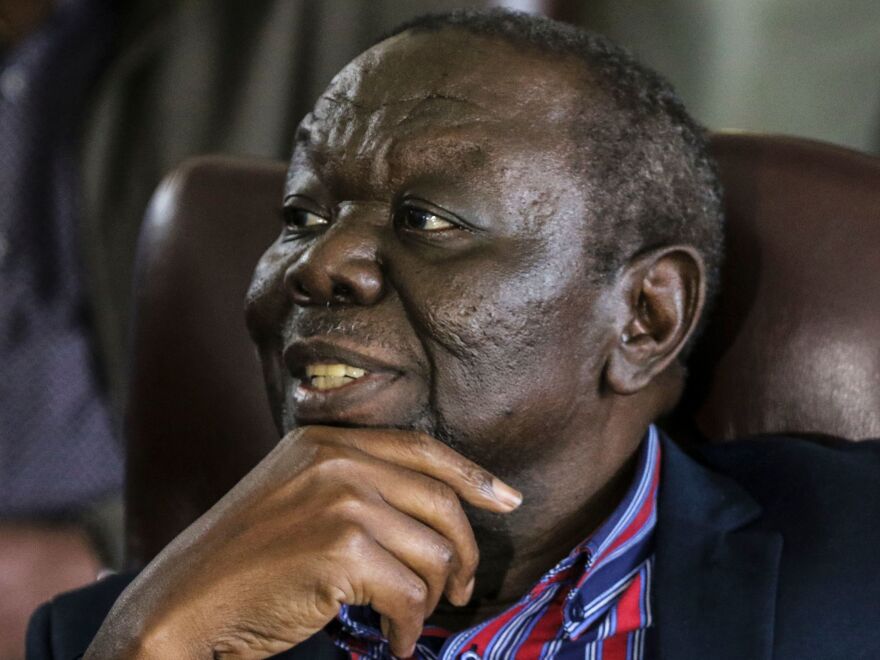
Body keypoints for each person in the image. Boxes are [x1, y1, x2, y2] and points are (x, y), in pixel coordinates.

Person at [27, 9, 880, 660]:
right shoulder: (109, 632)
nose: (319, 265)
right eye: (301, 214)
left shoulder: (858, 549)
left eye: (426, 219)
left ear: (646, 316)